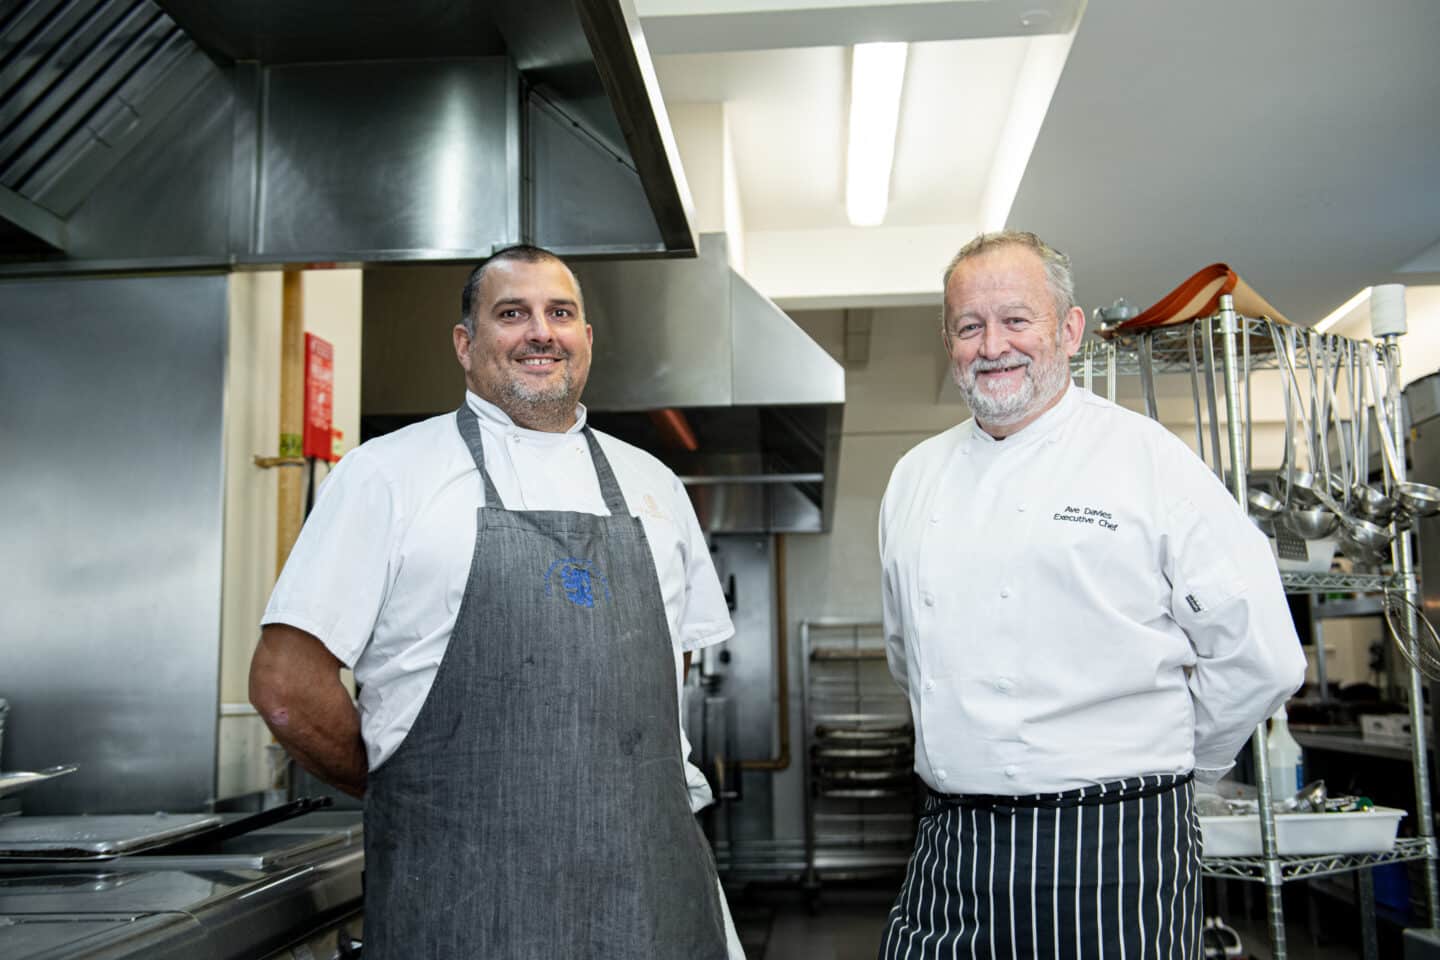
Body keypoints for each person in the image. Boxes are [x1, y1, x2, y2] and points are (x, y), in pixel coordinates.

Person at [250, 245, 744, 959]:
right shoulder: (385, 475)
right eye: (512, 313)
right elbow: (286, 685)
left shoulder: (654, 485)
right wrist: (414, 786)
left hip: (645, 900)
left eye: (560, 313)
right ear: (466, 343)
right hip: (460, 900)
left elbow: (669, 675)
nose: (540, 332)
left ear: (586, 339)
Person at [876, 231, 1305, 958]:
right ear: (948, 340)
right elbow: (906, 656)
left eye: (1017, 320)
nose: (993, 346)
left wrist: (1182, 765)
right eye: (969, 326)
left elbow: (1261, 656)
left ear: (1068, 330)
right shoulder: (914, 478)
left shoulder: (1148, 461)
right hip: (952, 840)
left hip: (1118, 838)